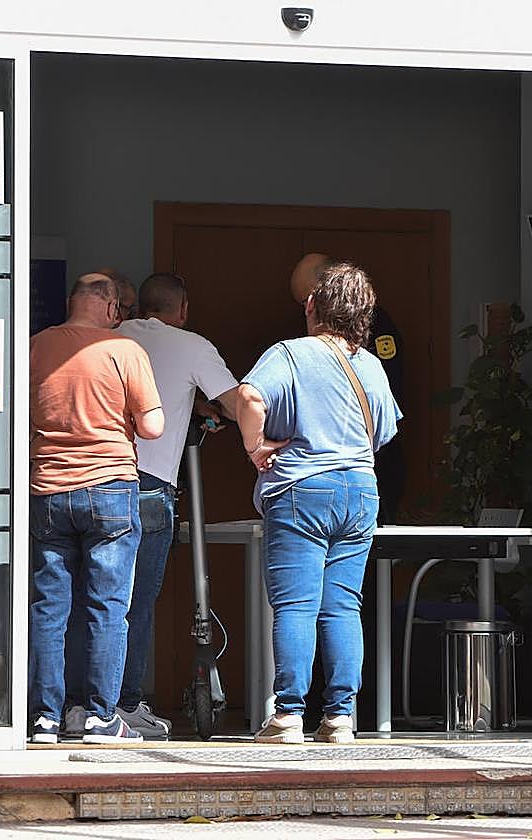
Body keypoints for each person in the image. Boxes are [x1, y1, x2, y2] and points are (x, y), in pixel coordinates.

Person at [238, 260, 401, 744]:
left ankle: (288, 715)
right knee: (343, 606)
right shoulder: (371, 365)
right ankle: (340, 718)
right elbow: (385, 431)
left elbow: (248, 397)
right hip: (361, 490)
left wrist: (256, 447)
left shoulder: (289, 354)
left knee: (296, 605)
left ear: (312, 305)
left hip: (302, 489)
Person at [28, 273, 164, 744]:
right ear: (109, 307)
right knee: (107, 607)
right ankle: (101, 717)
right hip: (109, 489)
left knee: (50, 608)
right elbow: (152, 427)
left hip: (48, 489)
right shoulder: (124, 350)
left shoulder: (36, 346)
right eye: (120, 309)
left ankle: (46, 717)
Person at [114, 272, 241, 738]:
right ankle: (125, 704)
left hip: (99, 479)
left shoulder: (112, 337)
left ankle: (79, 704)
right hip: (150, 487)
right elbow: (236, 404)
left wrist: (192, 405)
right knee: (137, 603)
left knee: (95, 598)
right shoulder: (193, 345)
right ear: (182, 309)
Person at [290, 253, 407, 522]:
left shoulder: (376, 327)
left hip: (369, 460)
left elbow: (387, 404)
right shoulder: (301, 347)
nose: (307, 310)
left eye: (308, 301)